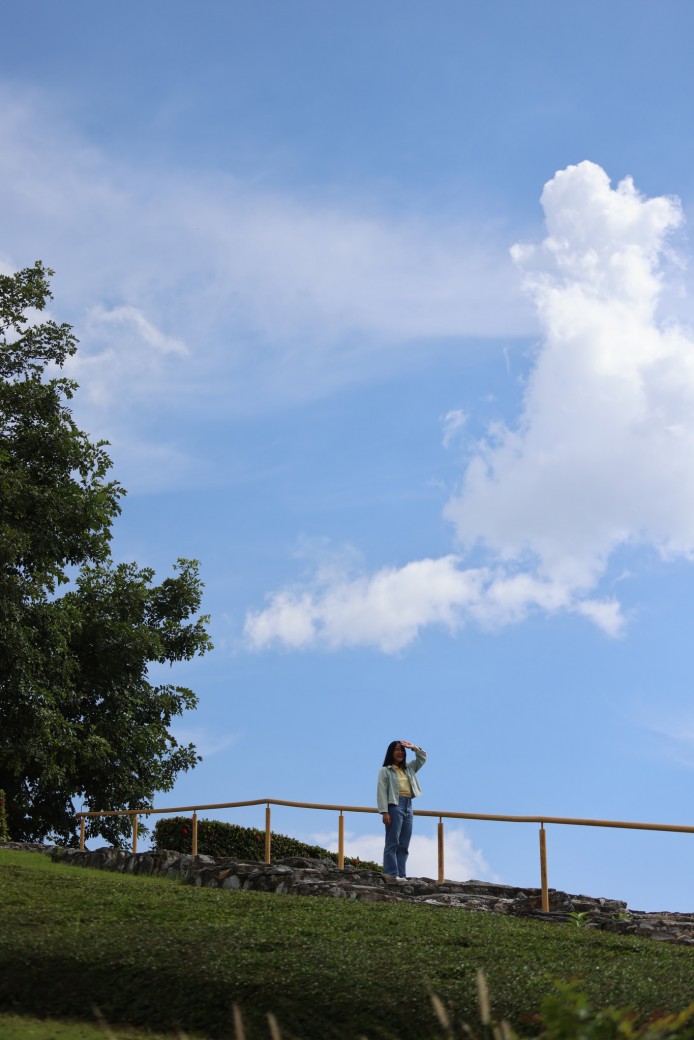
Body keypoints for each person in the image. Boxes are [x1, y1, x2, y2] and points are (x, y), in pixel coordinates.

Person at [377, 739, 427, 879]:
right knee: (393, 842)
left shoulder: (408, 768)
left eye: (402, 750)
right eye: (397, 749)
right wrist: (384, 812)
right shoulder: (385, 771)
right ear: (391, 752)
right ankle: (392, 874)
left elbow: (422, 758)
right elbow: (381, 791)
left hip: (408, 806)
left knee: (404, 844)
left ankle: (401, 875)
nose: (400, 752)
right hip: (394, 805)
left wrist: (414, 747)